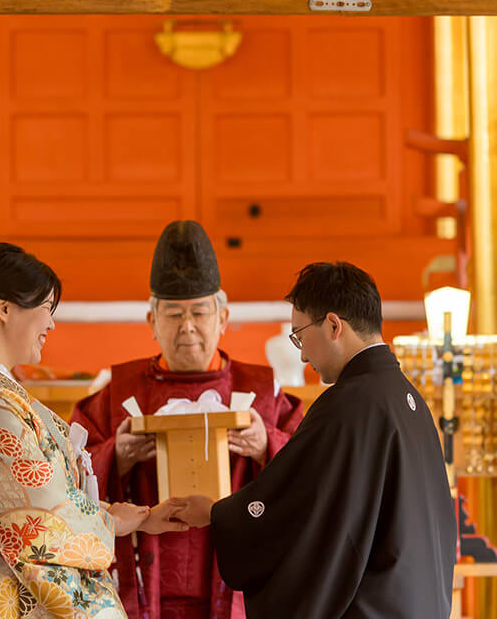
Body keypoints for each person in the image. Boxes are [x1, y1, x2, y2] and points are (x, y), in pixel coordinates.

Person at [0, 243, 185, 619]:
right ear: (4, 309)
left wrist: (115, 517)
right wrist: (106, 524)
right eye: (47, 308)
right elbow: (36, 531)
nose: (51, 324)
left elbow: (26, 503)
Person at [172, 262, 456, 619]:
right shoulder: (408, 399)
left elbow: (295, 506)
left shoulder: (349, 405)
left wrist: (218, 515)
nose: (303, 355)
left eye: (300, 335)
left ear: (334, 325)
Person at [71, 221, 304, 619]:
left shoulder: (263, 392)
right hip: (140, 584)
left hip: (237, 585)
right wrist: (116, 456)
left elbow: (313, 472)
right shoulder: (116, 393)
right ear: (152, 321)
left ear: (222, 317)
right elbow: (63, 476)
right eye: (174, 314)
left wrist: (267, 446)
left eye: (199, 311)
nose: (188, 326)